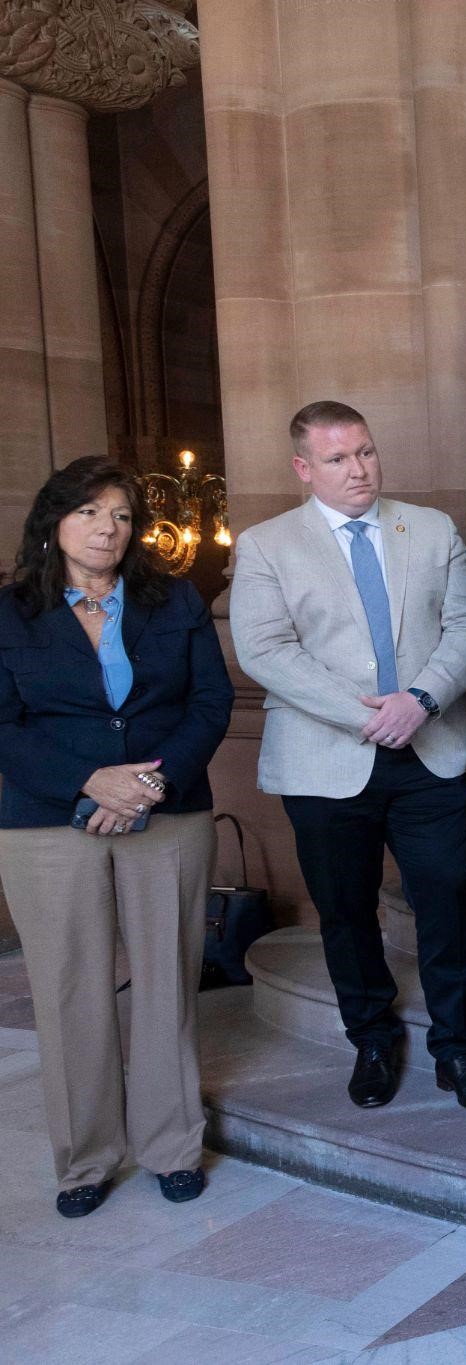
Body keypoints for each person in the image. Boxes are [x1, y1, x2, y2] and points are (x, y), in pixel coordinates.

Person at [232, 403, 466, 1113]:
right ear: (302, 468)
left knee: (445, 894)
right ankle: (374, 1039)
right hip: (327, 756)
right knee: (346, 909)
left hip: (429, 746)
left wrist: (420, 698)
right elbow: (265, 649)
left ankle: (459, 1048)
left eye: (366, 452)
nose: (358, 469)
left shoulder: (432, 527)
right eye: (337, 458)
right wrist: (367, 715)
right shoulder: (266, 545)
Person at [0, 457, 231, 1218]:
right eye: (91, 512)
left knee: (167, 978)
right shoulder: (10, 612)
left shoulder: (176, 600)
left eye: (122, 514)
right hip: (46, 820)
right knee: (71, 990)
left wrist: (151, 783)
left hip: (168, 811)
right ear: (54, 522)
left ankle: (172, 1145)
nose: (108, 527)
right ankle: (87, 1159)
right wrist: (89, 780)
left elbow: (209, 701)